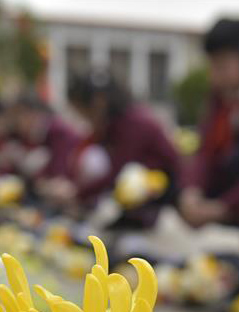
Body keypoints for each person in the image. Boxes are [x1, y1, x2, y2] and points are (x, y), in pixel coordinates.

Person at [49, 69, 180, 227]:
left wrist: (77, 194)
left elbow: (119, 171)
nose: (83, 119)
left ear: (99, 103)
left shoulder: (134, 123)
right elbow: (80, 152)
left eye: (83, 112)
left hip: (162, 195)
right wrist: (70, 185)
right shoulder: (110, 126)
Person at [178, 18, 239, 228]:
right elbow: (205, 149)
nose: (214, 74)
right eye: (212, 65)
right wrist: (192, 191)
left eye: (222, 65)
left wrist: (223, 207)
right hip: (219, 188)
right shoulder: (218, 99)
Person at [10, 94, 81, 190]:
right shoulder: (38, 134)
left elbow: (60, 175)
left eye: (17, 116)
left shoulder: (56, 131)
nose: (16, 123)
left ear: (30, 114)